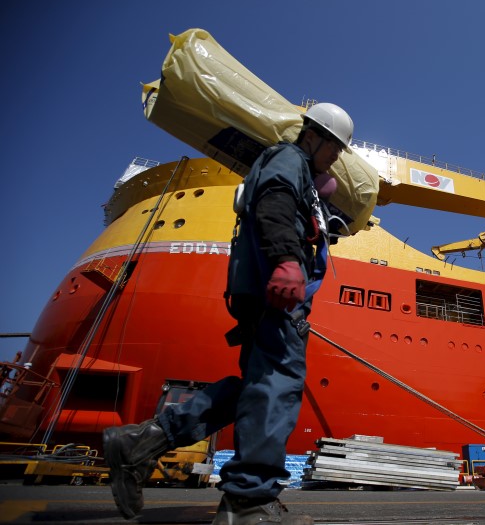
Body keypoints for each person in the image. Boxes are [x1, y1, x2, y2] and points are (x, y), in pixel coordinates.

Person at [103, 102, 354, 524]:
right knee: (276, 387)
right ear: (314, 135)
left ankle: (141, 442)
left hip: (259, 294)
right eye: (335, 147)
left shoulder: (299, 171)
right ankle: (249, 502)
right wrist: (286, 261)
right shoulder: (287, 158)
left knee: (253, 391)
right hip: (275, 295)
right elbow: (273, 203)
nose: (338, 157)